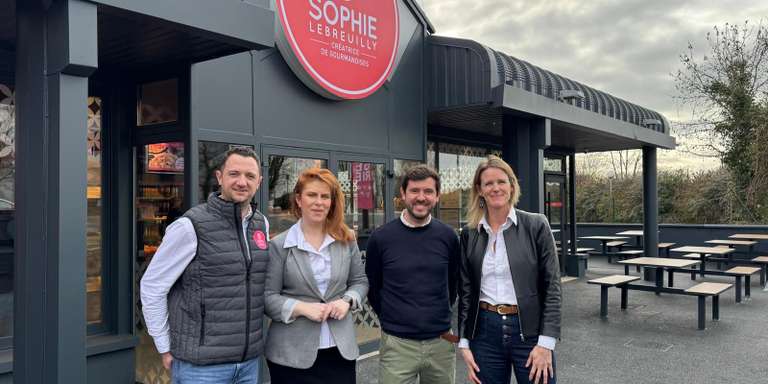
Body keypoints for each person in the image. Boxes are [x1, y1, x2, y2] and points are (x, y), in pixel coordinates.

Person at [140, 147, 269, 384]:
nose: (242, 182)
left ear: (259, 182)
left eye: (250, 176)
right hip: (201, 368)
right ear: (220, 177)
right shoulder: (190, 226)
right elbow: (152, 286)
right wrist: (164, 345)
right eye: (234, 174)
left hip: (248, 364)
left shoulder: (260, 224)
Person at [457, 155, 561, 384]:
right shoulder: (470, 233)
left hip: (531, 334)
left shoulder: (536, 225)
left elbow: (552, 287)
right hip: (484, 333)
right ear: (480, 189)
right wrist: (464, 342)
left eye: (501, 181)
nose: (496, 188)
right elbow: (466, 292)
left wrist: (546, 343)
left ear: (511, 185)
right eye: (488, 183)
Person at [265, 167, 368, 384]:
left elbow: (360, 282)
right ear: (299, 200)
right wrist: (302, 309)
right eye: (312, 195)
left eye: (325, 196)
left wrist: (347, 301)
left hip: (340, 351)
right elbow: (268, 297)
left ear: (332, 202)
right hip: (291, 355)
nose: (319, 202)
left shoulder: (346, 239)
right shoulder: (279, 245)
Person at [365, 164, 459, 384]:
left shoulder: (449, 237)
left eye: (428, 191)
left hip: (441, 342)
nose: (421, 197)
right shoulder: (381, 238)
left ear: (437, 196)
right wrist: (394, 319)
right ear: (403, 194)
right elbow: (373, 287)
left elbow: (453, 285)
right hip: (397, 344)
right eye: (415, 191)